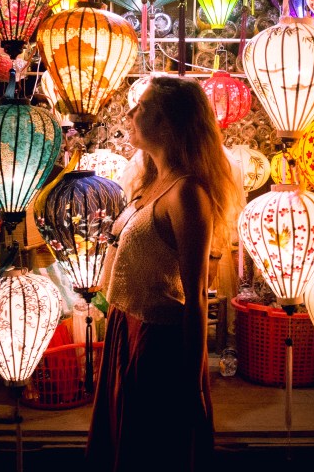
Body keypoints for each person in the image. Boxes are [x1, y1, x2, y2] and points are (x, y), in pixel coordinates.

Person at [86, 76, 245, 472]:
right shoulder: (152, 182)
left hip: (158, 344)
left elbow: (196, 297)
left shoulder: (187, 193)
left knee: (152, 451)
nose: (130, 113)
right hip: (128, 330)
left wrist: (193, 382)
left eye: (143, 107)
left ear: (169, 122)